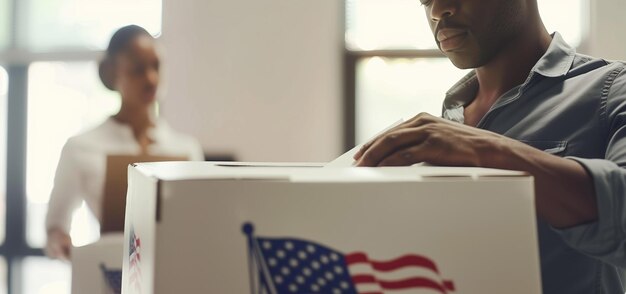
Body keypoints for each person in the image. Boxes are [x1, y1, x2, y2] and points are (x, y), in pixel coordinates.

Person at [354, 0, 626, 293]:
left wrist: (488, 152)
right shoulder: (452, 117)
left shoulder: (612, 89)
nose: (436, 11)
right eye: (425, 0)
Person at [45, 25, 204, 260]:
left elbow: (200, 223)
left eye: (156, 67)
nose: (151, 78)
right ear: (111, 73)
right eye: (138, 69)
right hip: (111, 273)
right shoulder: (81, 148)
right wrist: (61, 244)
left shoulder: (186, 150)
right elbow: (55, 229)